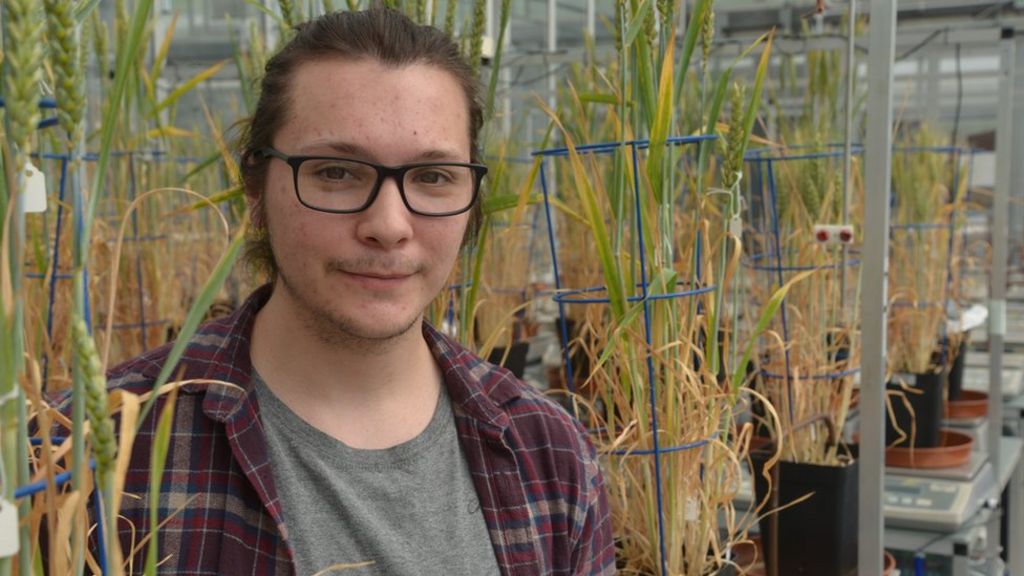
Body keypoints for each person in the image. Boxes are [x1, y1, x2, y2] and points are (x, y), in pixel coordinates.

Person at [80, 7, 615, 575]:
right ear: (255, 190)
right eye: (336, 172)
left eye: (433, 177)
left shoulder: (550, 457)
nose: (388, 225)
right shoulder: (101, 451)